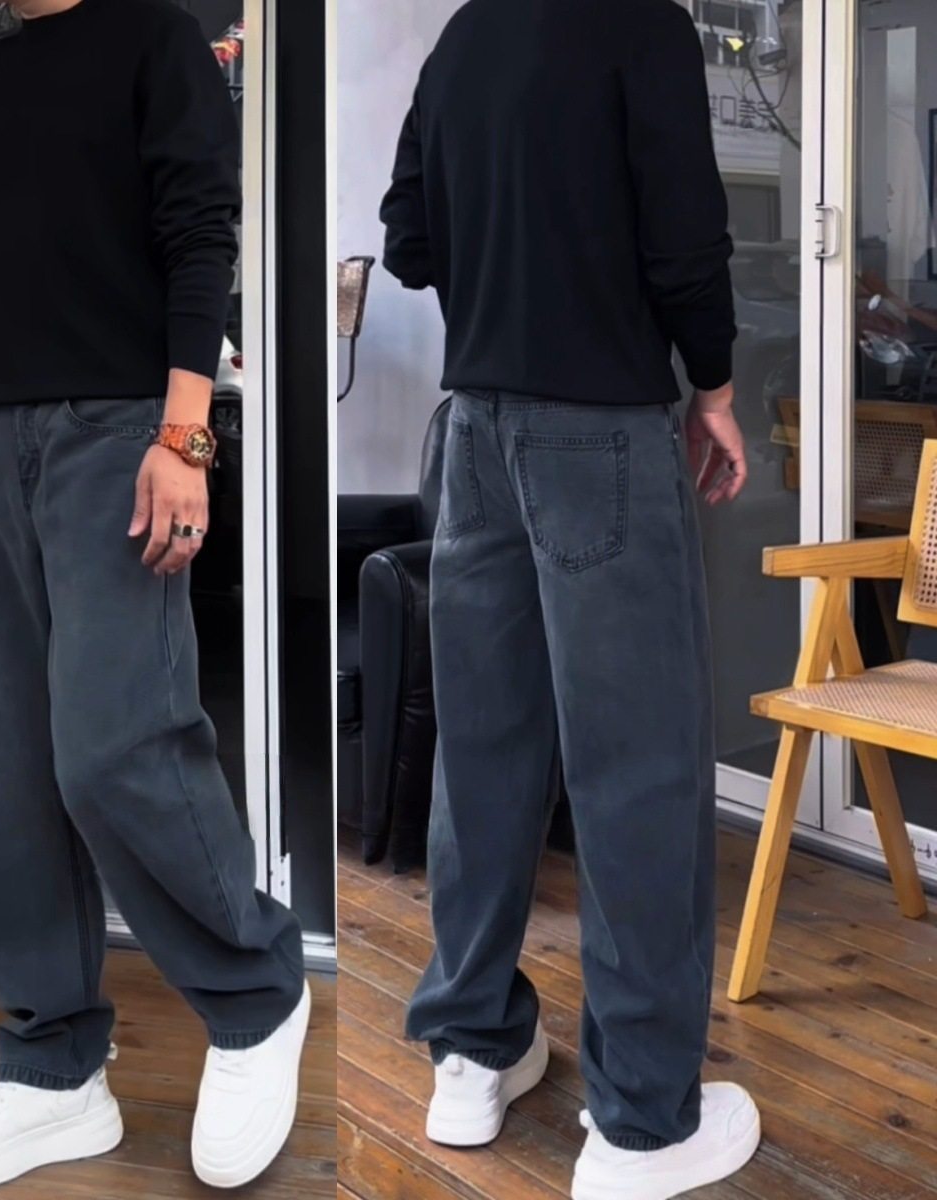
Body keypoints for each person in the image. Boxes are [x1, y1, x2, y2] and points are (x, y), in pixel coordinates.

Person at [0, 1, 309, 1192]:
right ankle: (51, 1066)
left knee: (118, 744)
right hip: (2, 441)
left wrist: (183, 436)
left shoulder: (156, 39)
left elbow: (201, 236)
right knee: (4, 760)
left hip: (123, 432)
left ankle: (256, 994)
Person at [380, 2, 756, 1198]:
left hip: (474, 430)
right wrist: (714, 389)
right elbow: (685, 238)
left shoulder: (465, 36)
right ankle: (643, 1122)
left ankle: (471, 1051)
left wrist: (507, 264)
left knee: (484, 752)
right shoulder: (642, 24)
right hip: (600, 426)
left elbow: (408, 240)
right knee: (637, 765)